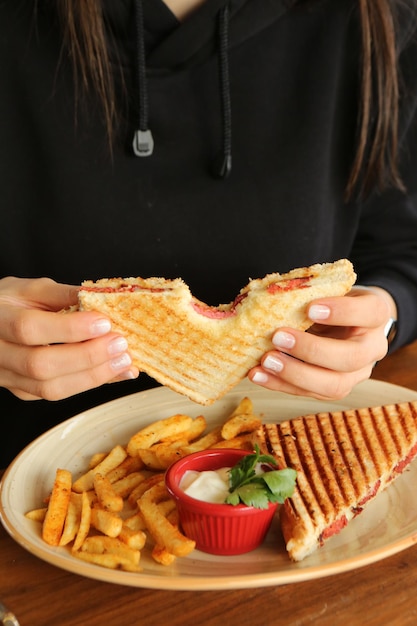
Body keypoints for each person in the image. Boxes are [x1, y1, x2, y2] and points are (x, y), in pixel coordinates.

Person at [1, 0, 417, 468]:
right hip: (33, 475)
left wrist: (384, 313)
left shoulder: (372, 15)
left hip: (296, 456)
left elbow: (401, 245)